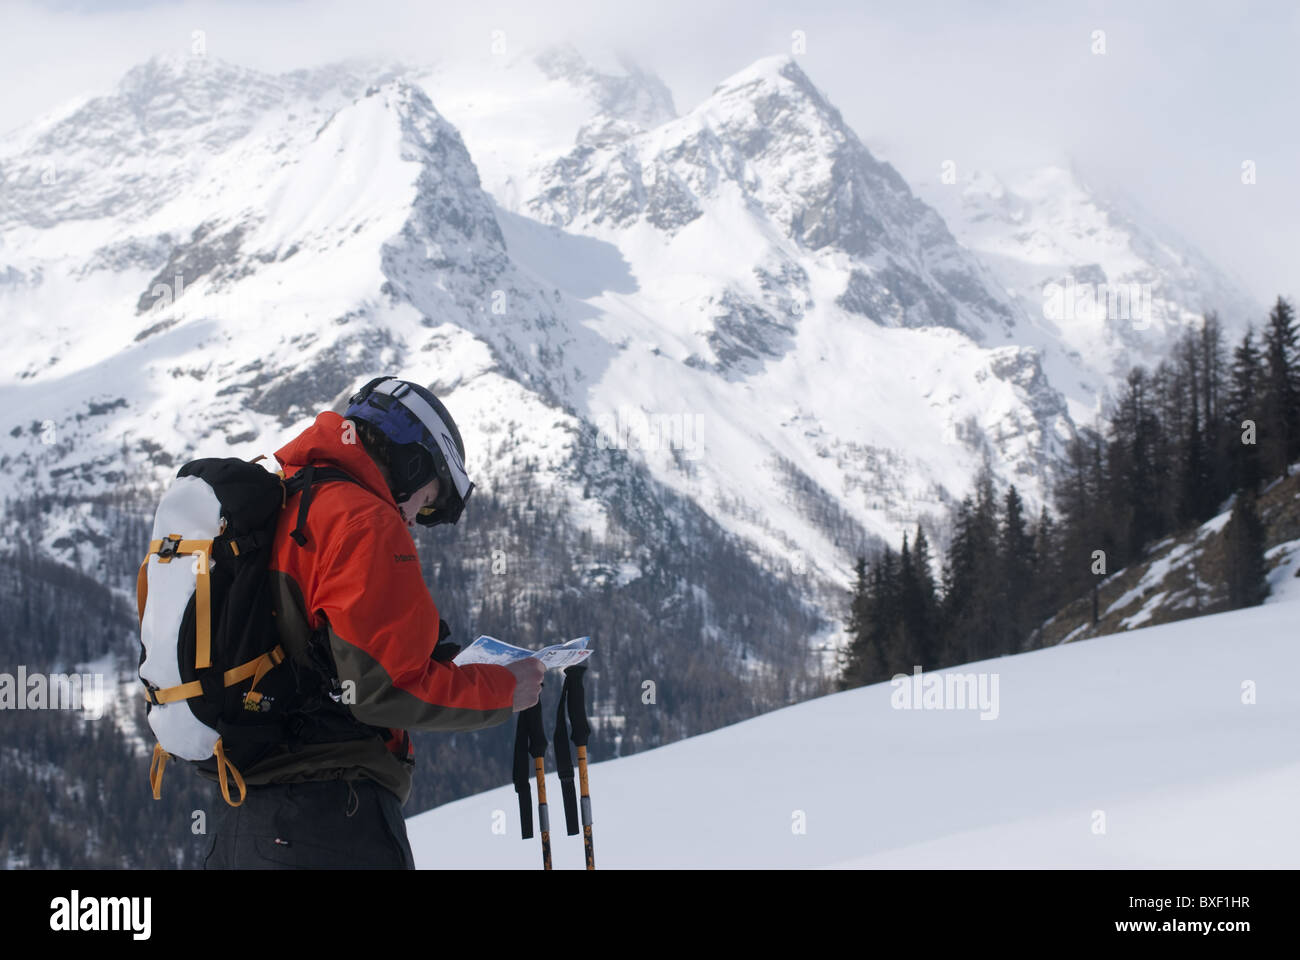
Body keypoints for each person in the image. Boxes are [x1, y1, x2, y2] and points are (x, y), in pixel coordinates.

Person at [203, 376, 544, 869]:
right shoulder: (364, 520)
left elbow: (315, 644)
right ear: (411, 463)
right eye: (425, 499)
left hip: (239, 827)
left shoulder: (286, 497)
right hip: (331, 825)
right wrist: (500, 690)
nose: (413, 517)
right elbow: (382, 690)